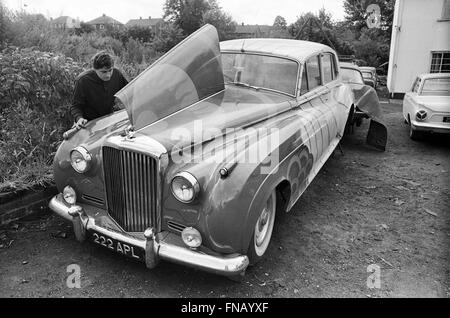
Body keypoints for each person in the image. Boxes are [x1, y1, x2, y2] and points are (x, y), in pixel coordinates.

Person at [70, 51, 128, 128]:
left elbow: (129, 92)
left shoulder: (117, 74)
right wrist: (79, 118)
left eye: (110, 70)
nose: (108, 75)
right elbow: (75, 106)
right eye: (103, 72)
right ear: (95, 69)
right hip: (88, 124)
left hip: (108, 120)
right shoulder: (82, 80)